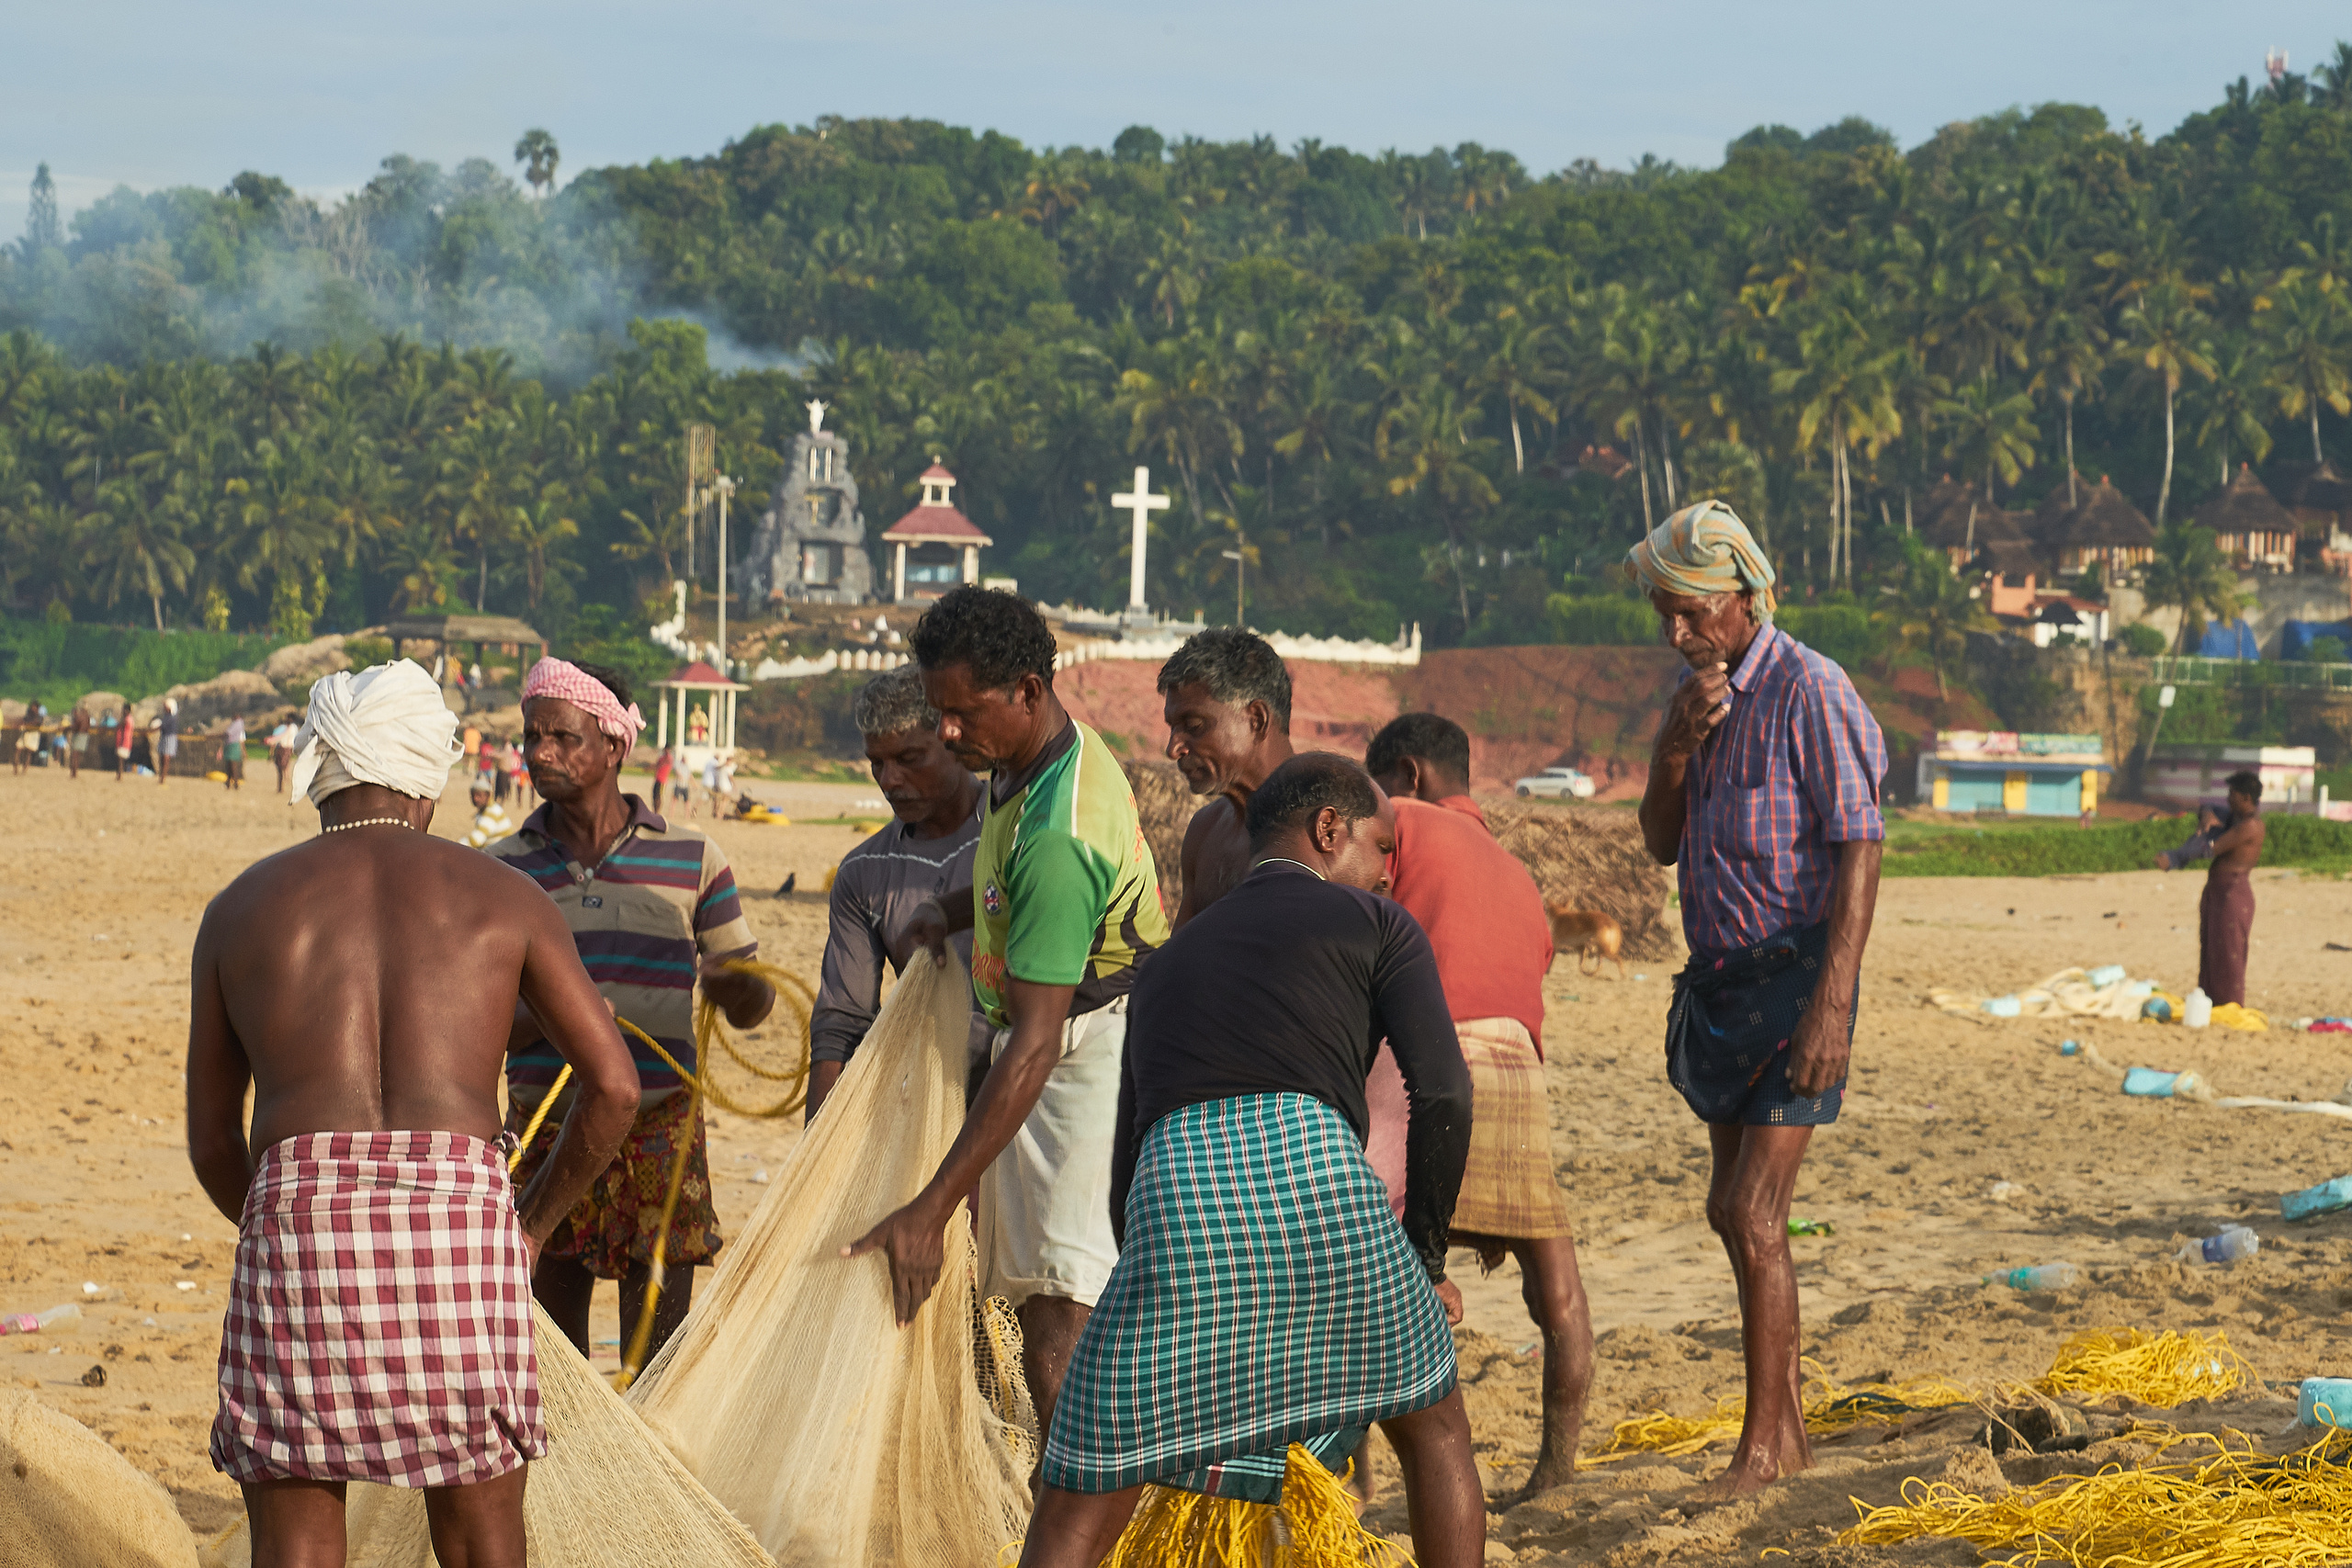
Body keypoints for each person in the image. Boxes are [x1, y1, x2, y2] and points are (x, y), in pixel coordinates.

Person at [187, 659, 639, 1568]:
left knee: (297, 1543)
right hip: (461, 1229)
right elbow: (617, 1088)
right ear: (428, 779)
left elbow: (212, 1138)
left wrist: (282, 1222)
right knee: (480, 1540)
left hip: (300, 1226)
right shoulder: (506, 897)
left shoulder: (240, 909)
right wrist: (530, 1225)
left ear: (322, 769)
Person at [1026, 753, 1480, 1568]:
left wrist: (1162, 1280)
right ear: (1329, 829)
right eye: (1382, 846)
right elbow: (1443, 1091)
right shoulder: (1378, 924)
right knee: (1433, 1420)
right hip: (1322, 1184)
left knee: (1082, 1485)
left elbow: (1132, 1160)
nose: (1389, 869)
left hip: (1176, 1202)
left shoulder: (1165, 964)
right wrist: (1425, 1258)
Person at [851, 586, 1169, 1446]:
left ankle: (1075, 1498)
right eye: (939, 712)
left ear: (1028, 690)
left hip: (1088, 1055)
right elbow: (1006, 884)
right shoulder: (1026, 760)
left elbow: (1033, 1046)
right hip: (1054, 1041)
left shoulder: (1063, 830)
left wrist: (930, 1207)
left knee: (1062, 1318)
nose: (948, 732)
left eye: (963, 712)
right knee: (1038, 1305)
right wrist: (951, 910)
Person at [1629, 500, 1884, 1498]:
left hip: (1798, 979)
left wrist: (1832, 1006)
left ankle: (1761, 1454)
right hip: (1722, 984)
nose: (1676, 633)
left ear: (1744, 597)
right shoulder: (1693, 700)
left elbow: (1860, 845)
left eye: (1690, 612)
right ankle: (1789, 1438)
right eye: (1665, 614)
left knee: (1753, 1207)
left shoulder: (1810, 689)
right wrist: (1674, 748)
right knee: (1729, 1210)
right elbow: (1661, 841)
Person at [487, 659, 776, 1362]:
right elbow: (478, 1021)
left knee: (657, 1358)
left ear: (614, 744)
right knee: (554, 1357)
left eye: (563, 737)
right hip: (547, 1131)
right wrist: (572, 1018)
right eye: (533, 736)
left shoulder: (694, 857)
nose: (541, 753)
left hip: (660, 1131)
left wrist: (736, 987)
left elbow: (755, 1006)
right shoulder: (498, 869)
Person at [1363, 711, 1593, 1499]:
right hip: (1518, 1063)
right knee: (1555, 1283)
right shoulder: (1516, 871)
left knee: (1360, 1261)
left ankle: (1356, 1477)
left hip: (1429, 1059)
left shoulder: (1401, 818)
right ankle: (1556, 1469)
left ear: (1407, 775)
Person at [808, 667, 986, 1122]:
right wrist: (815, 1145)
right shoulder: (863, 872)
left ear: (954, 740)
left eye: (909, 759)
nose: (889, 780)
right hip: (923, 1103)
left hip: (1023, 1088)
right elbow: (842, 1024)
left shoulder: (1018, 835)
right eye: (877, 764)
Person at [1157, 628, 1295, 928]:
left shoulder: (1326, 832)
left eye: (1194, 726)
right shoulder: (1205, 832)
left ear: (1256, 720)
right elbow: (1184, 951)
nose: (1173, 749)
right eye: (1172, 728)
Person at [2154, 771, 2267, 1007]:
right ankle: (2210, 1003)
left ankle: (2229, 1005)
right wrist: (2206, 816)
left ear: (2246, 797)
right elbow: (2208, 808)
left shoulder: (2250, 826)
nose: (2228, 798)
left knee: (2229, 953)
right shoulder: (2234, 818)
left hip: (2233, 894)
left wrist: (2175, 857)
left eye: (2232, 794)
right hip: (2217, 891)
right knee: (2211, 949)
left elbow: (2211, 849)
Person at [464, 780, 515, 849]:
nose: (475, 799)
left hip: (501, 852)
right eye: (473, 796)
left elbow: (476, 840)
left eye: (479, 795)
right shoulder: (489, 809)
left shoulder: (491, 812)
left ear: (488, 796)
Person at [13, 699, 43, 776]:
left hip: (33, 734)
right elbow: (23, 721)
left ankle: (25, 769)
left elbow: (37, 723)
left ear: (37, 708)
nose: (32, 708)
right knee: (18, 749)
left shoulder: (39, 716)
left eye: (34, 707)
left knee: (28, 752)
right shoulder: (28, 715)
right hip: (25, 733)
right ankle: (15, 768)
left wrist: (26, 724)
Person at [155, 699, 180, 786]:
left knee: (166, 758)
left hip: (169, 738)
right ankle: (161, 776)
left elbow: (162, 727)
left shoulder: (171, 718)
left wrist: (151, 730)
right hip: (164, 736)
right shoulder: (166, 717)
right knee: (162, 757)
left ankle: (163, 778)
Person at [269, 718, 296, 794]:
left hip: (283, 748)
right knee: (283, 766)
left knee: (281, 768)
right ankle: (284, 780)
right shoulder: (293, 728)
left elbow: (278, 738)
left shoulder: (285, 729)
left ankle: (281, 785)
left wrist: (271, 749)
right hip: (287, 748)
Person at [222, 714, 246, 792]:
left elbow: (229, 733)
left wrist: (244, 752)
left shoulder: (238, 724)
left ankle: (235, 783)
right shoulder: (237, 724)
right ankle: (228, 782)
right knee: (229, 765)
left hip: (234, 745)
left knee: (233, 765)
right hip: (230, 745)